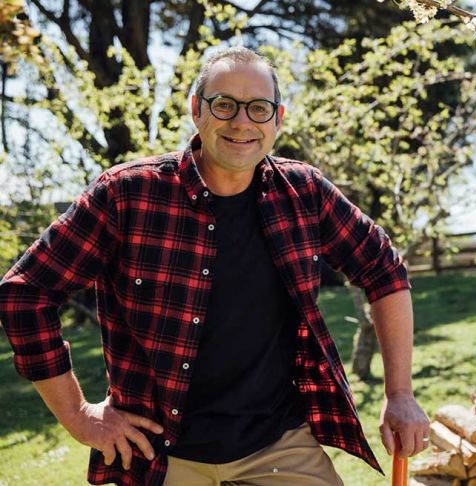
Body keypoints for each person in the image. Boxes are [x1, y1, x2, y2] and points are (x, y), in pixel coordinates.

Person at [0, 46, 430, 486]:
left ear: (277, 119)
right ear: (196, 110)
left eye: (258, 108)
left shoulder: (305, 193)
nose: (241, 122)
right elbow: (25, 292)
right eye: (224, 105)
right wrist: (77, 415)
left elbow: (383, 269)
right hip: (161, 453)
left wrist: (399, 394)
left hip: (278, 446)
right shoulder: (127, 194)